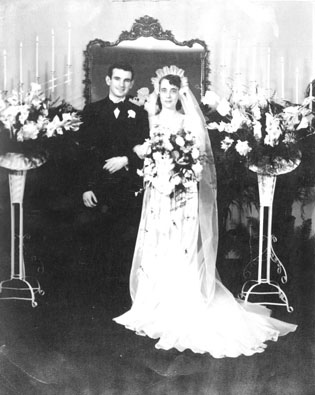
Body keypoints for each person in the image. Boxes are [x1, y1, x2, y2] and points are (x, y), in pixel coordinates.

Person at [113, 65, 297, 358]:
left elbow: (197, 159)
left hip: (182, 193)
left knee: (181, 245)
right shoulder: (151, 117)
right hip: (157, 193)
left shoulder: (188, 120)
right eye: (164, 91)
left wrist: (180, 175)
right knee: (157, 242)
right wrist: (153, 167)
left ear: (180, 93)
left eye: (174, 91)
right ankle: (156, 300)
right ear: (158, 93)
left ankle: (183, 298)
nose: (169, 95)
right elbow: (148, 151)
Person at [76, 62, 149, 277]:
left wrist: (126, 159)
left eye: (126, 80)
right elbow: (84, 154)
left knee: (125, 246)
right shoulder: (91, 111)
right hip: (98, 187)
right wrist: (86, 188)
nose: (121, 84)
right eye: (117, 79)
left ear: (132, 83)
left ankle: (122, 297)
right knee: (97, 245)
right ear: (108, 80)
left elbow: (147, 152)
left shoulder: (140, 114)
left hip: (127, 189)